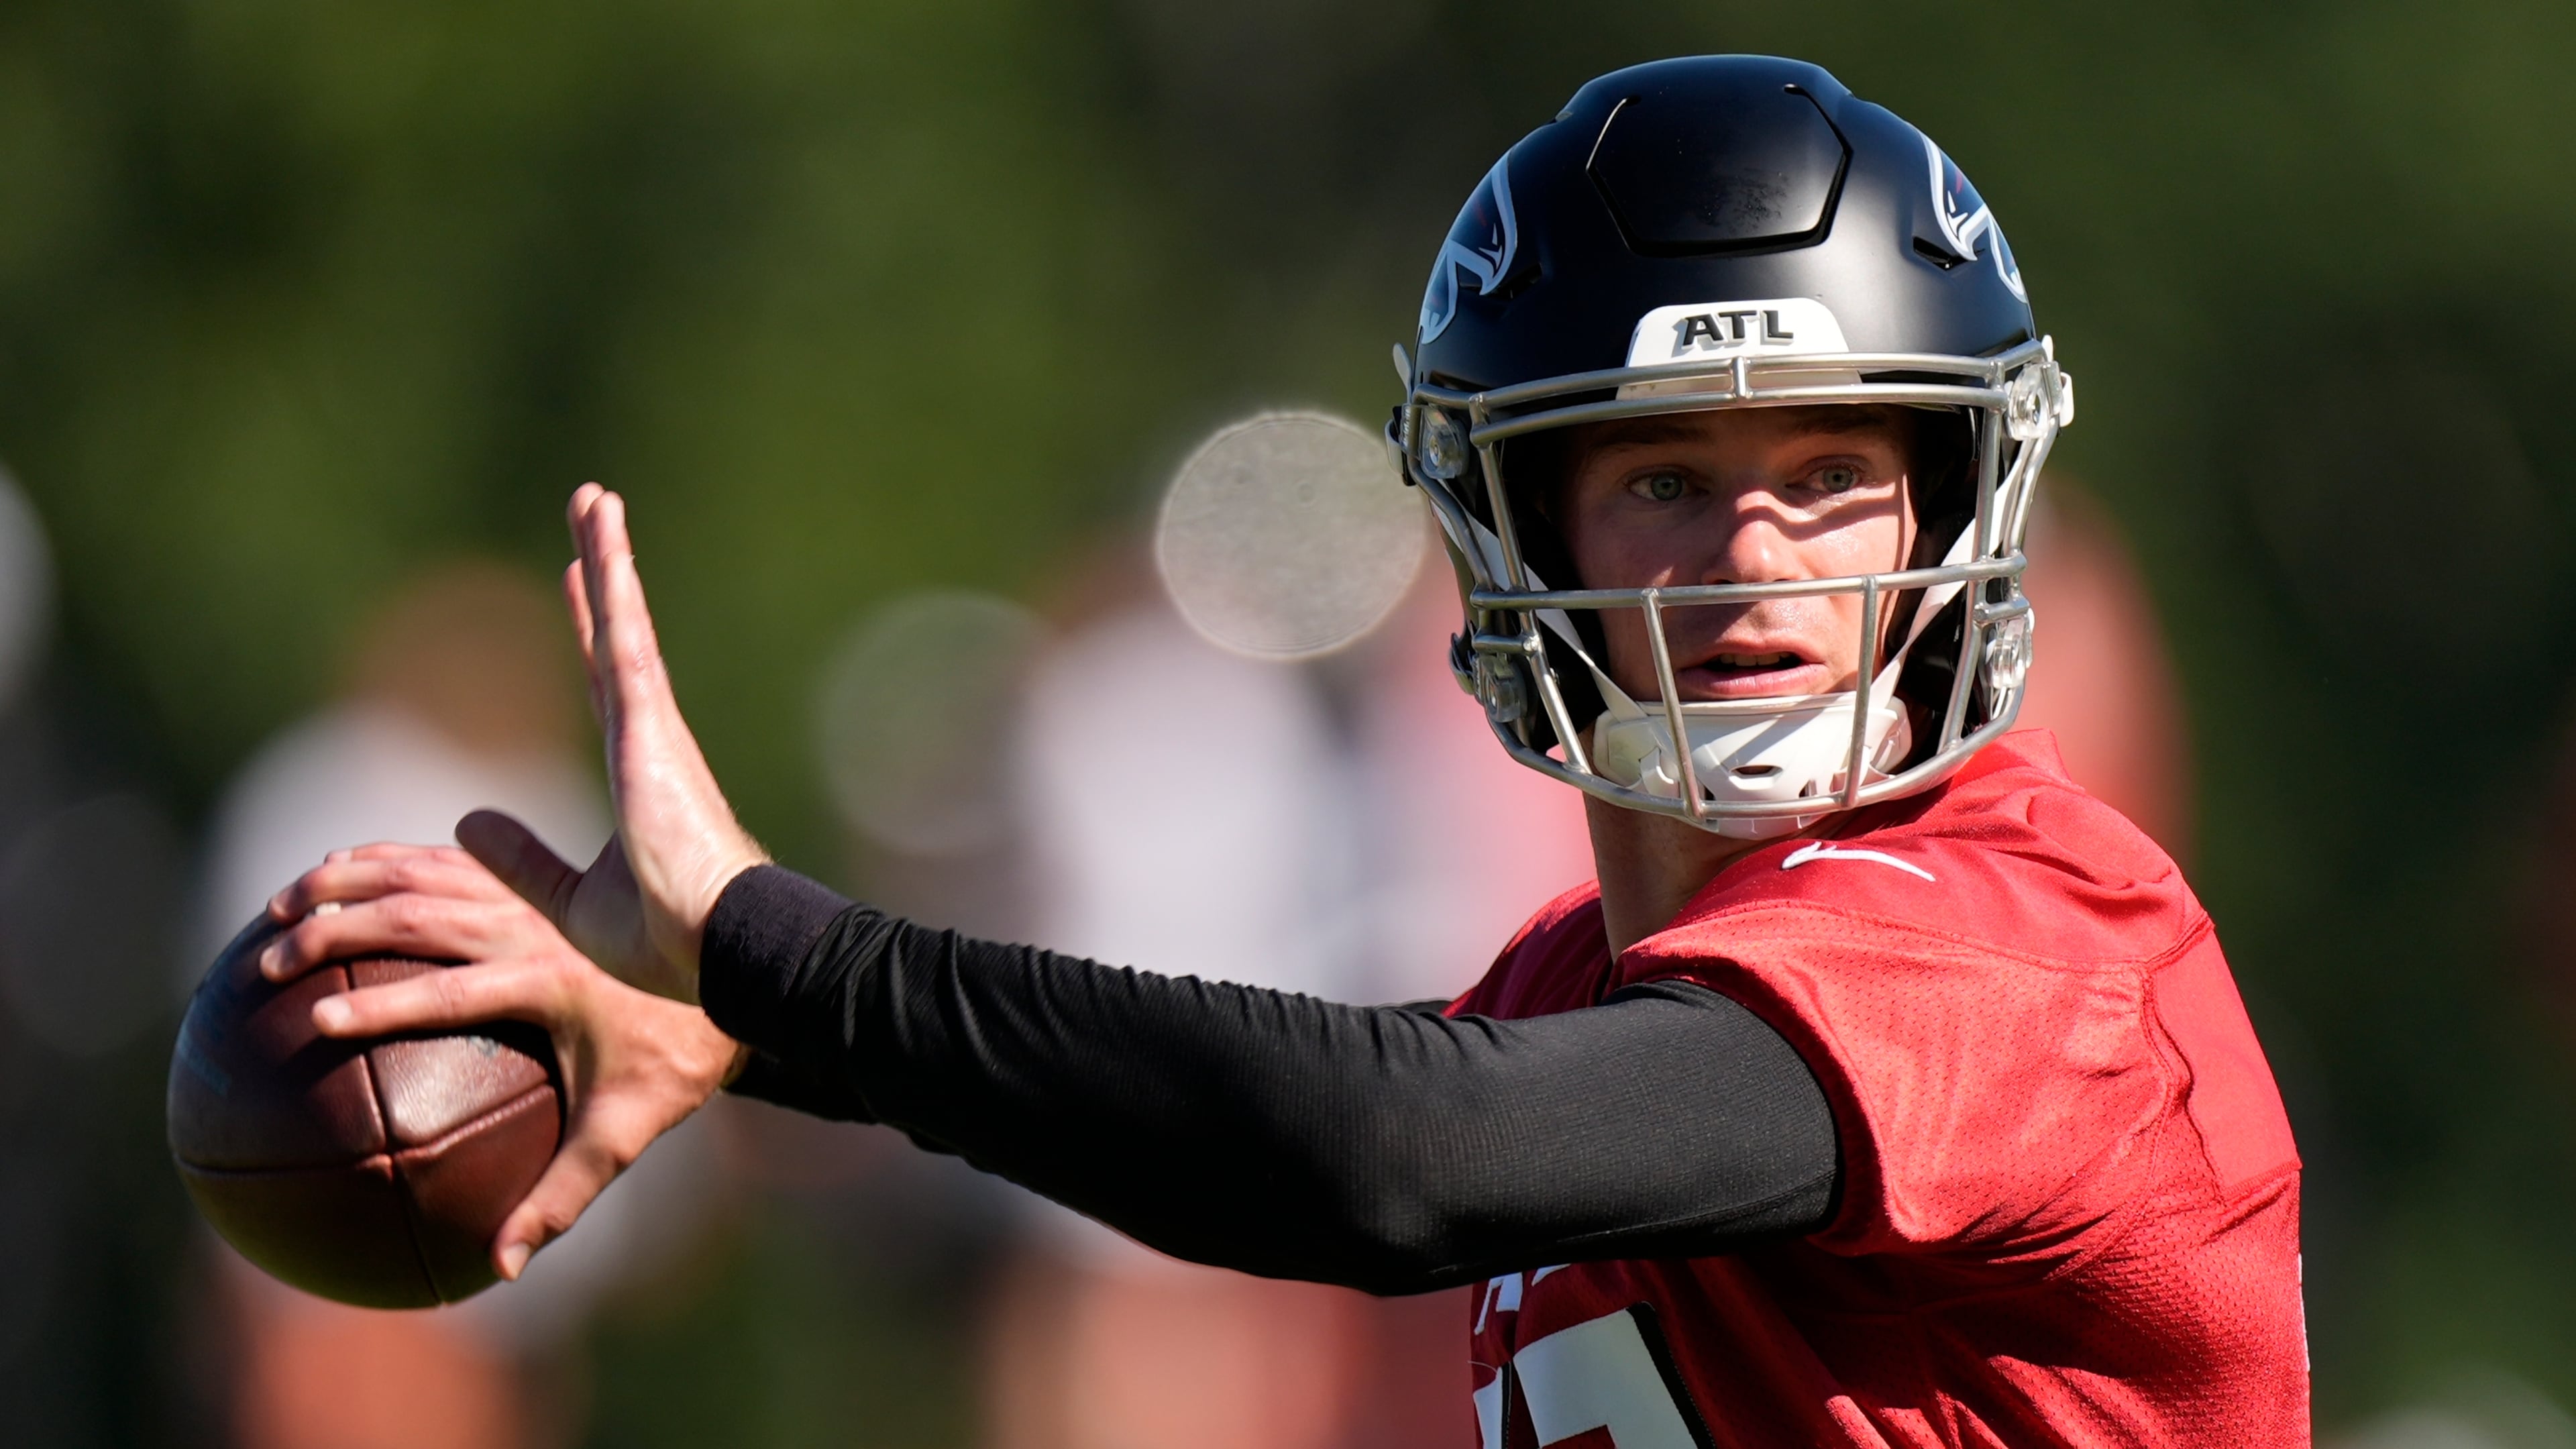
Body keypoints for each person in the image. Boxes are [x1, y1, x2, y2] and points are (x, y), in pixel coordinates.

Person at [250, 57, 2308, 1446]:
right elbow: (1274, 1107)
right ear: (1520, 535)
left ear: (1952, 514)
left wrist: (775, 950)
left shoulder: (2035, 942)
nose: (1755, 550)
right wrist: (741, 1032)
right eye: (1668, 474)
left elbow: (1394, 1156)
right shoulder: (1579, 1010)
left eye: (1838, 470)